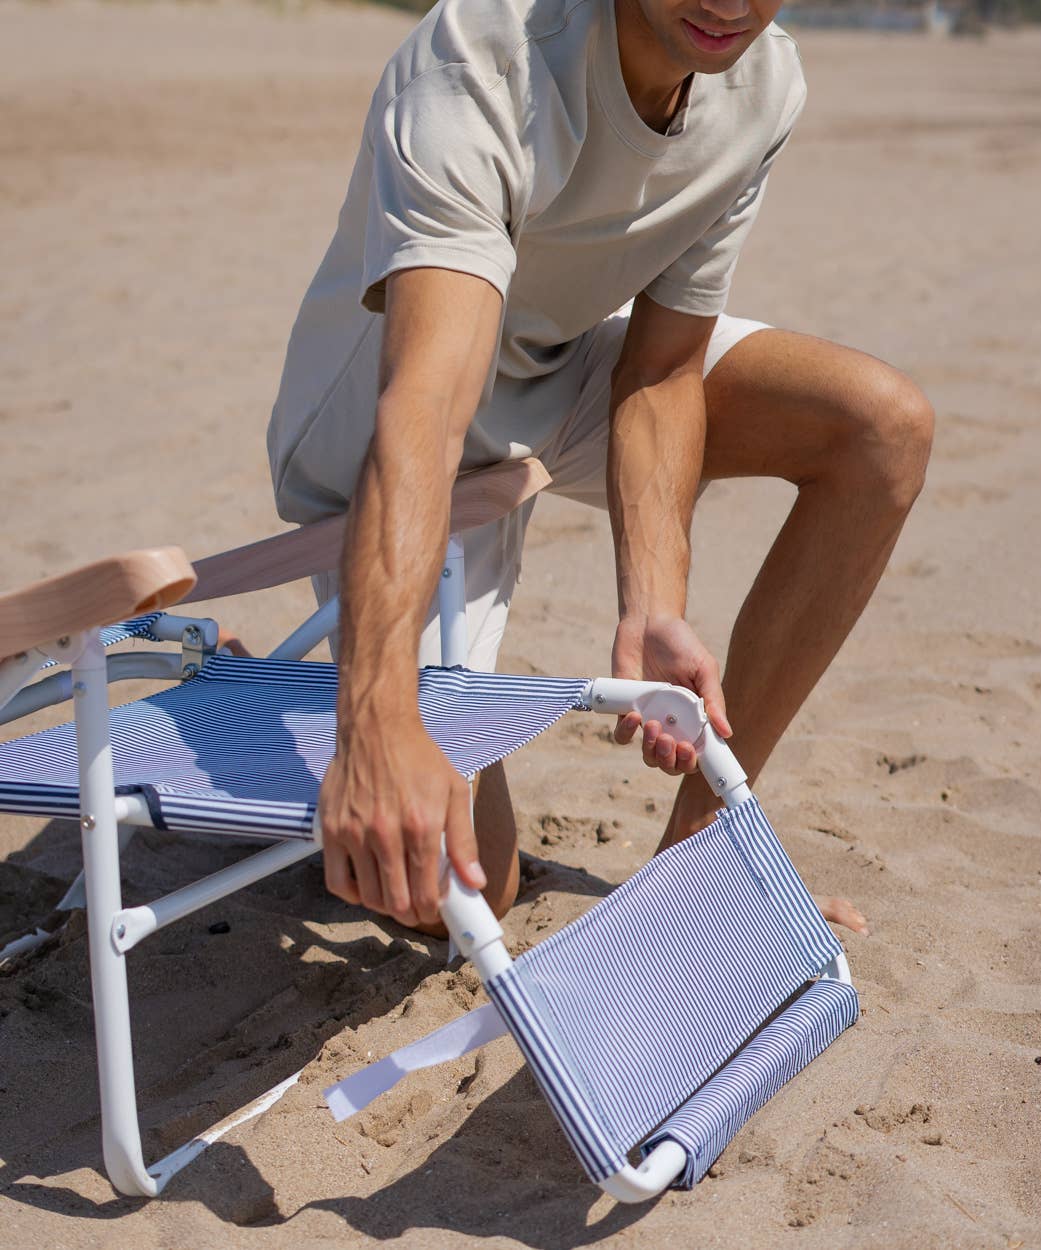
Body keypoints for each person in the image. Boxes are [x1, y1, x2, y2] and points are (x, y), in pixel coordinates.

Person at [267, 0, 933, 940]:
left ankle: (695, 868)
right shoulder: (482, 62)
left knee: (882, 429)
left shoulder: (764, 82)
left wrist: (653, 600)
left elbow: (661, 370)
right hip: (392, 430)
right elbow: (425, 405)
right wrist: (371, 723)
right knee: (459, 892)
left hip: (553, 367)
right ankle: (327, 696)